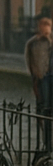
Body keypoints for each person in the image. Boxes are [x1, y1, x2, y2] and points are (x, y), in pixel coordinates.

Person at [25, 17, 53, 149]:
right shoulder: (33, 43)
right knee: (44, 109)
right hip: (42, 79)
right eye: (45, 26)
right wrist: (35, 77)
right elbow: (30, 61)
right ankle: (46, 142)